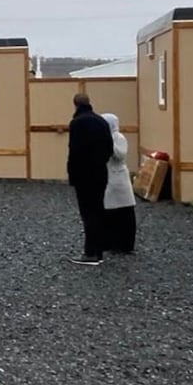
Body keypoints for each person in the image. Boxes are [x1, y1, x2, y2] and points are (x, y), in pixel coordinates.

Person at [66, 93, 114, 266]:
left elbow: (75, 151)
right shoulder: (102, 122)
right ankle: (99, 249)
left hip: (84, 175)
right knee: (98, 211)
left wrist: (72, 175)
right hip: (100, 173)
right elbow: (110, 148)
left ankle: (90, 252)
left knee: (88, 214)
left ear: (75, 105)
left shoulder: (77, 123)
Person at [101, 112, 137, 254]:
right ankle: (110, 242)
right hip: (108, 178)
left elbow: (119, 155)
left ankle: (126, 245)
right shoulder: (103, 137)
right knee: (109, 213)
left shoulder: (119, 138)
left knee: (125, 213)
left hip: (119, 178)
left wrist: (107, 143)